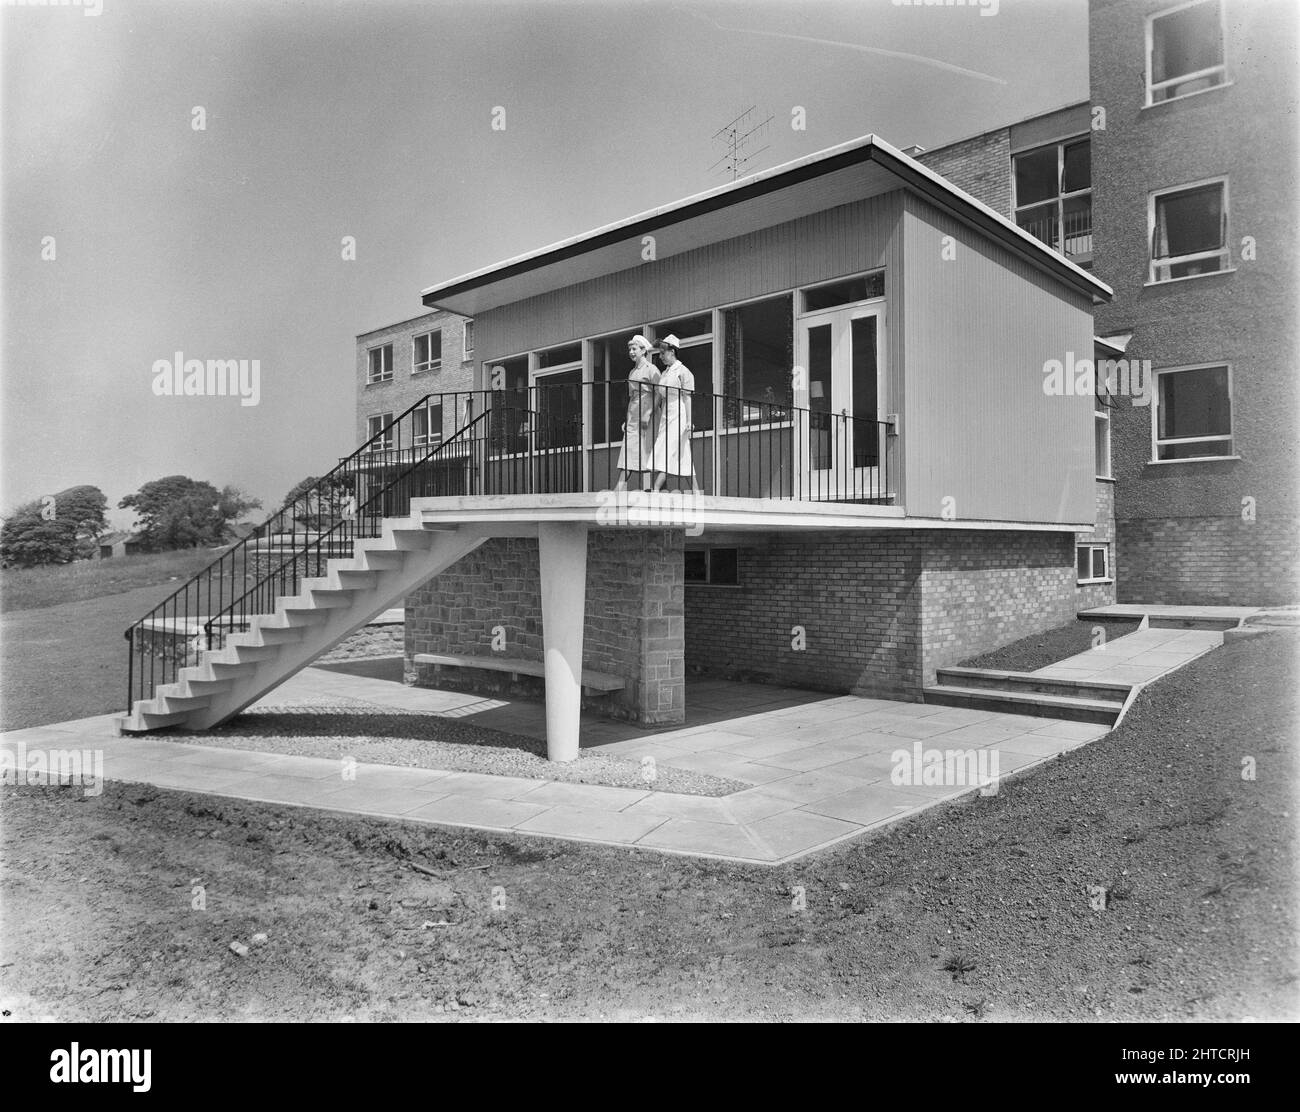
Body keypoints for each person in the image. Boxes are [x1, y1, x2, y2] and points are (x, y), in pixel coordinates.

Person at [651, 335, 701, 493]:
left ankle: (656, 487)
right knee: (681, 452)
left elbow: (687, 397)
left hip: (679, 412)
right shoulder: (665, 372)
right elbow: (660, 394)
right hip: (667, 412)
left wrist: (689, 420)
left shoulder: (682, 371)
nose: (660, 357)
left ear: (672, 351)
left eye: (663, 353)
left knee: (670, 449)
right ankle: (696, 490)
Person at [614, 335, 660, 491]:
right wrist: (627, 419)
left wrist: (648, 413)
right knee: (628, 450)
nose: (631, 352)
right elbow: (631, 398)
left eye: (634, 349)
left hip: (647, 413)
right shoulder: (632, 372)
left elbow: (659, 393)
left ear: (643, 350)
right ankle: (619, 488)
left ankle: (648, 489)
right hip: (634, 414)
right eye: (630, 349)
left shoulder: (651, 369)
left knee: (646, 450)